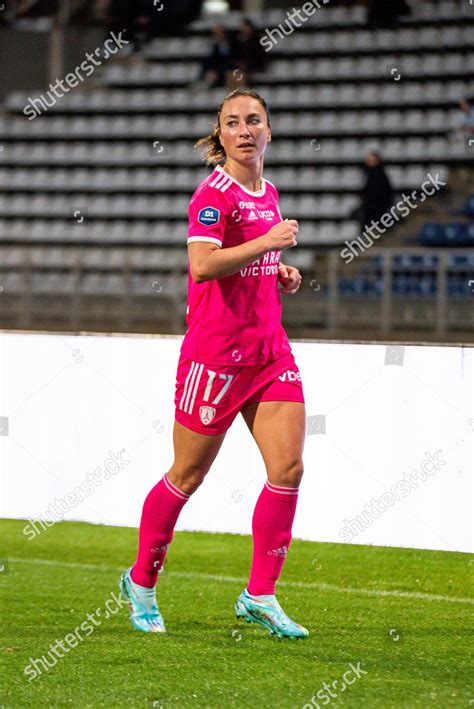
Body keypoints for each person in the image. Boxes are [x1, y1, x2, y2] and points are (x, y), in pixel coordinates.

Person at [119, 88, 309, 639]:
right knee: (188, 475)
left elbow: (246, 261)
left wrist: (277, 270)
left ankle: (260, 594)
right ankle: (141, 582)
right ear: (219, 135)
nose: (246, 130)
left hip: (269, 354)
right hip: (216, 359)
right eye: (234, 122)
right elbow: (203, 266)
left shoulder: (268, 192)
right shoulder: (212, 195)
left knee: (288, 470)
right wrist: (269, 243)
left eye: (255, 120)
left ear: (269, 131)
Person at [195, 24, 241, 89]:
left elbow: (233, 59)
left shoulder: (233, 44)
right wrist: (211, 70)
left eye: (220, 33)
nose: (219, 35)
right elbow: (211, 60)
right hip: (217, 70)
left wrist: (217, 71)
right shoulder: (214, 46)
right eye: (216, 33)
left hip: (229, 68)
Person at [359, 151, 393, 232]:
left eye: (372, 160)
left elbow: (386, 192)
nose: (369, 162)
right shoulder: (367, 174)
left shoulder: (381, 175)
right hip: (369, 208)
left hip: (379, 208)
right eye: (368, 160)